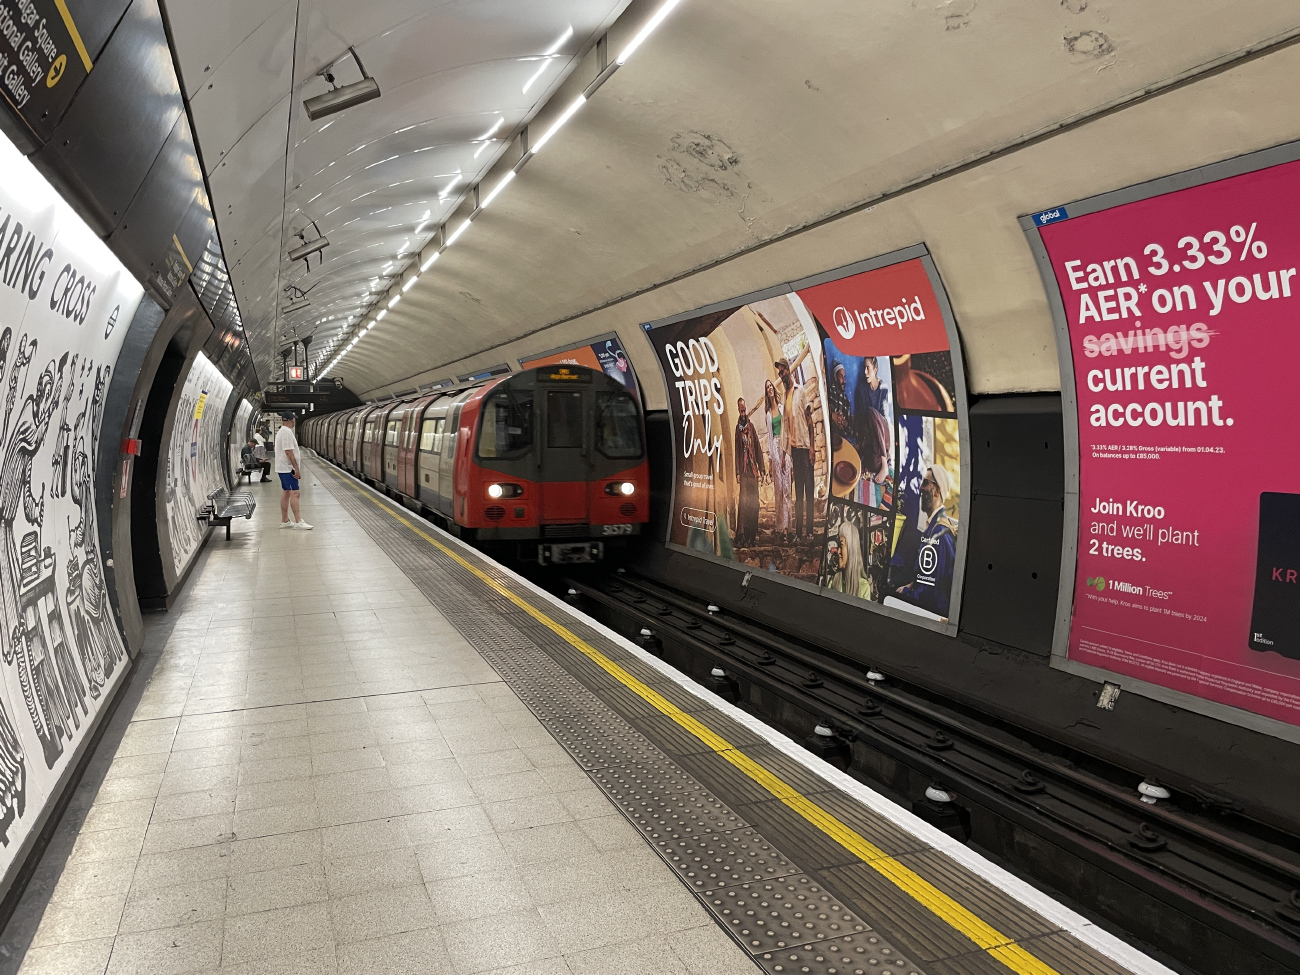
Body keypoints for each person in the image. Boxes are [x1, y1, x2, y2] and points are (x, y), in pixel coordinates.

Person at [895, 464, 957, 616]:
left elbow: (929, 590)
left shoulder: (937, 532)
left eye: (925, 483)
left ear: (937, 490)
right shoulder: (936, 526)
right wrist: (911, 585)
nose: (921, 489)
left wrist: (904, 593)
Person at [776, 356, 815, 539]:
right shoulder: (785, 397)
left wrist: (813, 447)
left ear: (788, 370)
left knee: (808, 491)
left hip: (806, 448)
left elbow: (809, 420)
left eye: (782, 371)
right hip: (795, 451)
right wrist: (784, 455)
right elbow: (785, 428)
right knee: (798, 493)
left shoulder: (801, 391)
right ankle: (799, 532)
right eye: (779, 372)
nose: (781, 374)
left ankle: (809, 532)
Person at [761, 379, 791, 541]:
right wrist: (772, 462)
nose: (770, 389)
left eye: (771, 386)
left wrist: (786, 453)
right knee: (778, 489)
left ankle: (787, 527)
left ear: (774, 388)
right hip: (774, 449)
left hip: (784, 448)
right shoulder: (767, 415)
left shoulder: (781, 408)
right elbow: (770, 436)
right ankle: (780, 526)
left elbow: (786, 431)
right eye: (767, 388)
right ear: (766, 392)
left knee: (786, 487)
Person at [733, 397, 765, 546]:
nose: (743, 412)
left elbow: (757, 448)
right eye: (741, 409)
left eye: (744, 409)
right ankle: (741, 536)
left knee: (754, 504)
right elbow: (737, 450)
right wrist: (738, 472)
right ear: (738, 410)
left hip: (753, 471)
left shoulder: (751, 428)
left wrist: (762, 468)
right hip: (744, 471)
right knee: (744, 502)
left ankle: (752, 535)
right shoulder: (737, 429)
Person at [274, 412, 312, 530]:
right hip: (287, 468)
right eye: (294, 419)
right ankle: (298, 521)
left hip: (284, 468)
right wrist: (296, 468)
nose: (294, 421)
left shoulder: (283, 431)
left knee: (286, 493)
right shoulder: (286, 432)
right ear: (291, 420)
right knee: (295, 493)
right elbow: (288, 452)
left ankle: (285, 521)